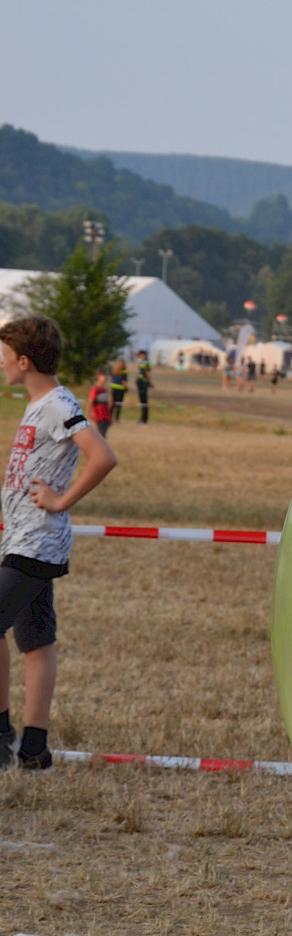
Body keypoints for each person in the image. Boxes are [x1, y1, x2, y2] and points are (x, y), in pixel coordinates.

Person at [0, 315, 118, 770]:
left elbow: (102, 455)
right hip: (22, 538)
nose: (2, 363)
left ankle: (1, 736)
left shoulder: (56, 403)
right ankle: (34, 748)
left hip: (37, 544)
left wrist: (61, 499)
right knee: (36, 640)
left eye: (6, 356)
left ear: (25, 361)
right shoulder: (37, 404)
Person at [87, 369, 112, 439]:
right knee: (101, 435)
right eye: (103, 376)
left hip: (105, 416)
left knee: (103, 434)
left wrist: (109, 416)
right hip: (99, 415)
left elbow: (107, 405)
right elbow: (90, 402)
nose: (105, 378)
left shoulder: (104, 389)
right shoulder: (95, 389)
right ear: (98, 377)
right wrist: (89, 413)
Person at [135, 350, 152, 424]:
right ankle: (142, 418)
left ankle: (144, 419)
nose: (139, 357)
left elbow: (148, 374)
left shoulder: (146, 363)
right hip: (140, 383)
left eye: (140, 355)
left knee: (144, 402)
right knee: (142, 402)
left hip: (143, 384)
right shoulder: (142, 363)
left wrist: (149, 382)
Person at [110, 357, 128, 422]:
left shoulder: (114, 370)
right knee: (119, 404)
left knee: (113, 403)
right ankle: (117, 418)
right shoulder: (124, 371)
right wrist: (126, 388)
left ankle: (109, 416)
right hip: (120, 389)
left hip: (113, 388)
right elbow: (124, 381)